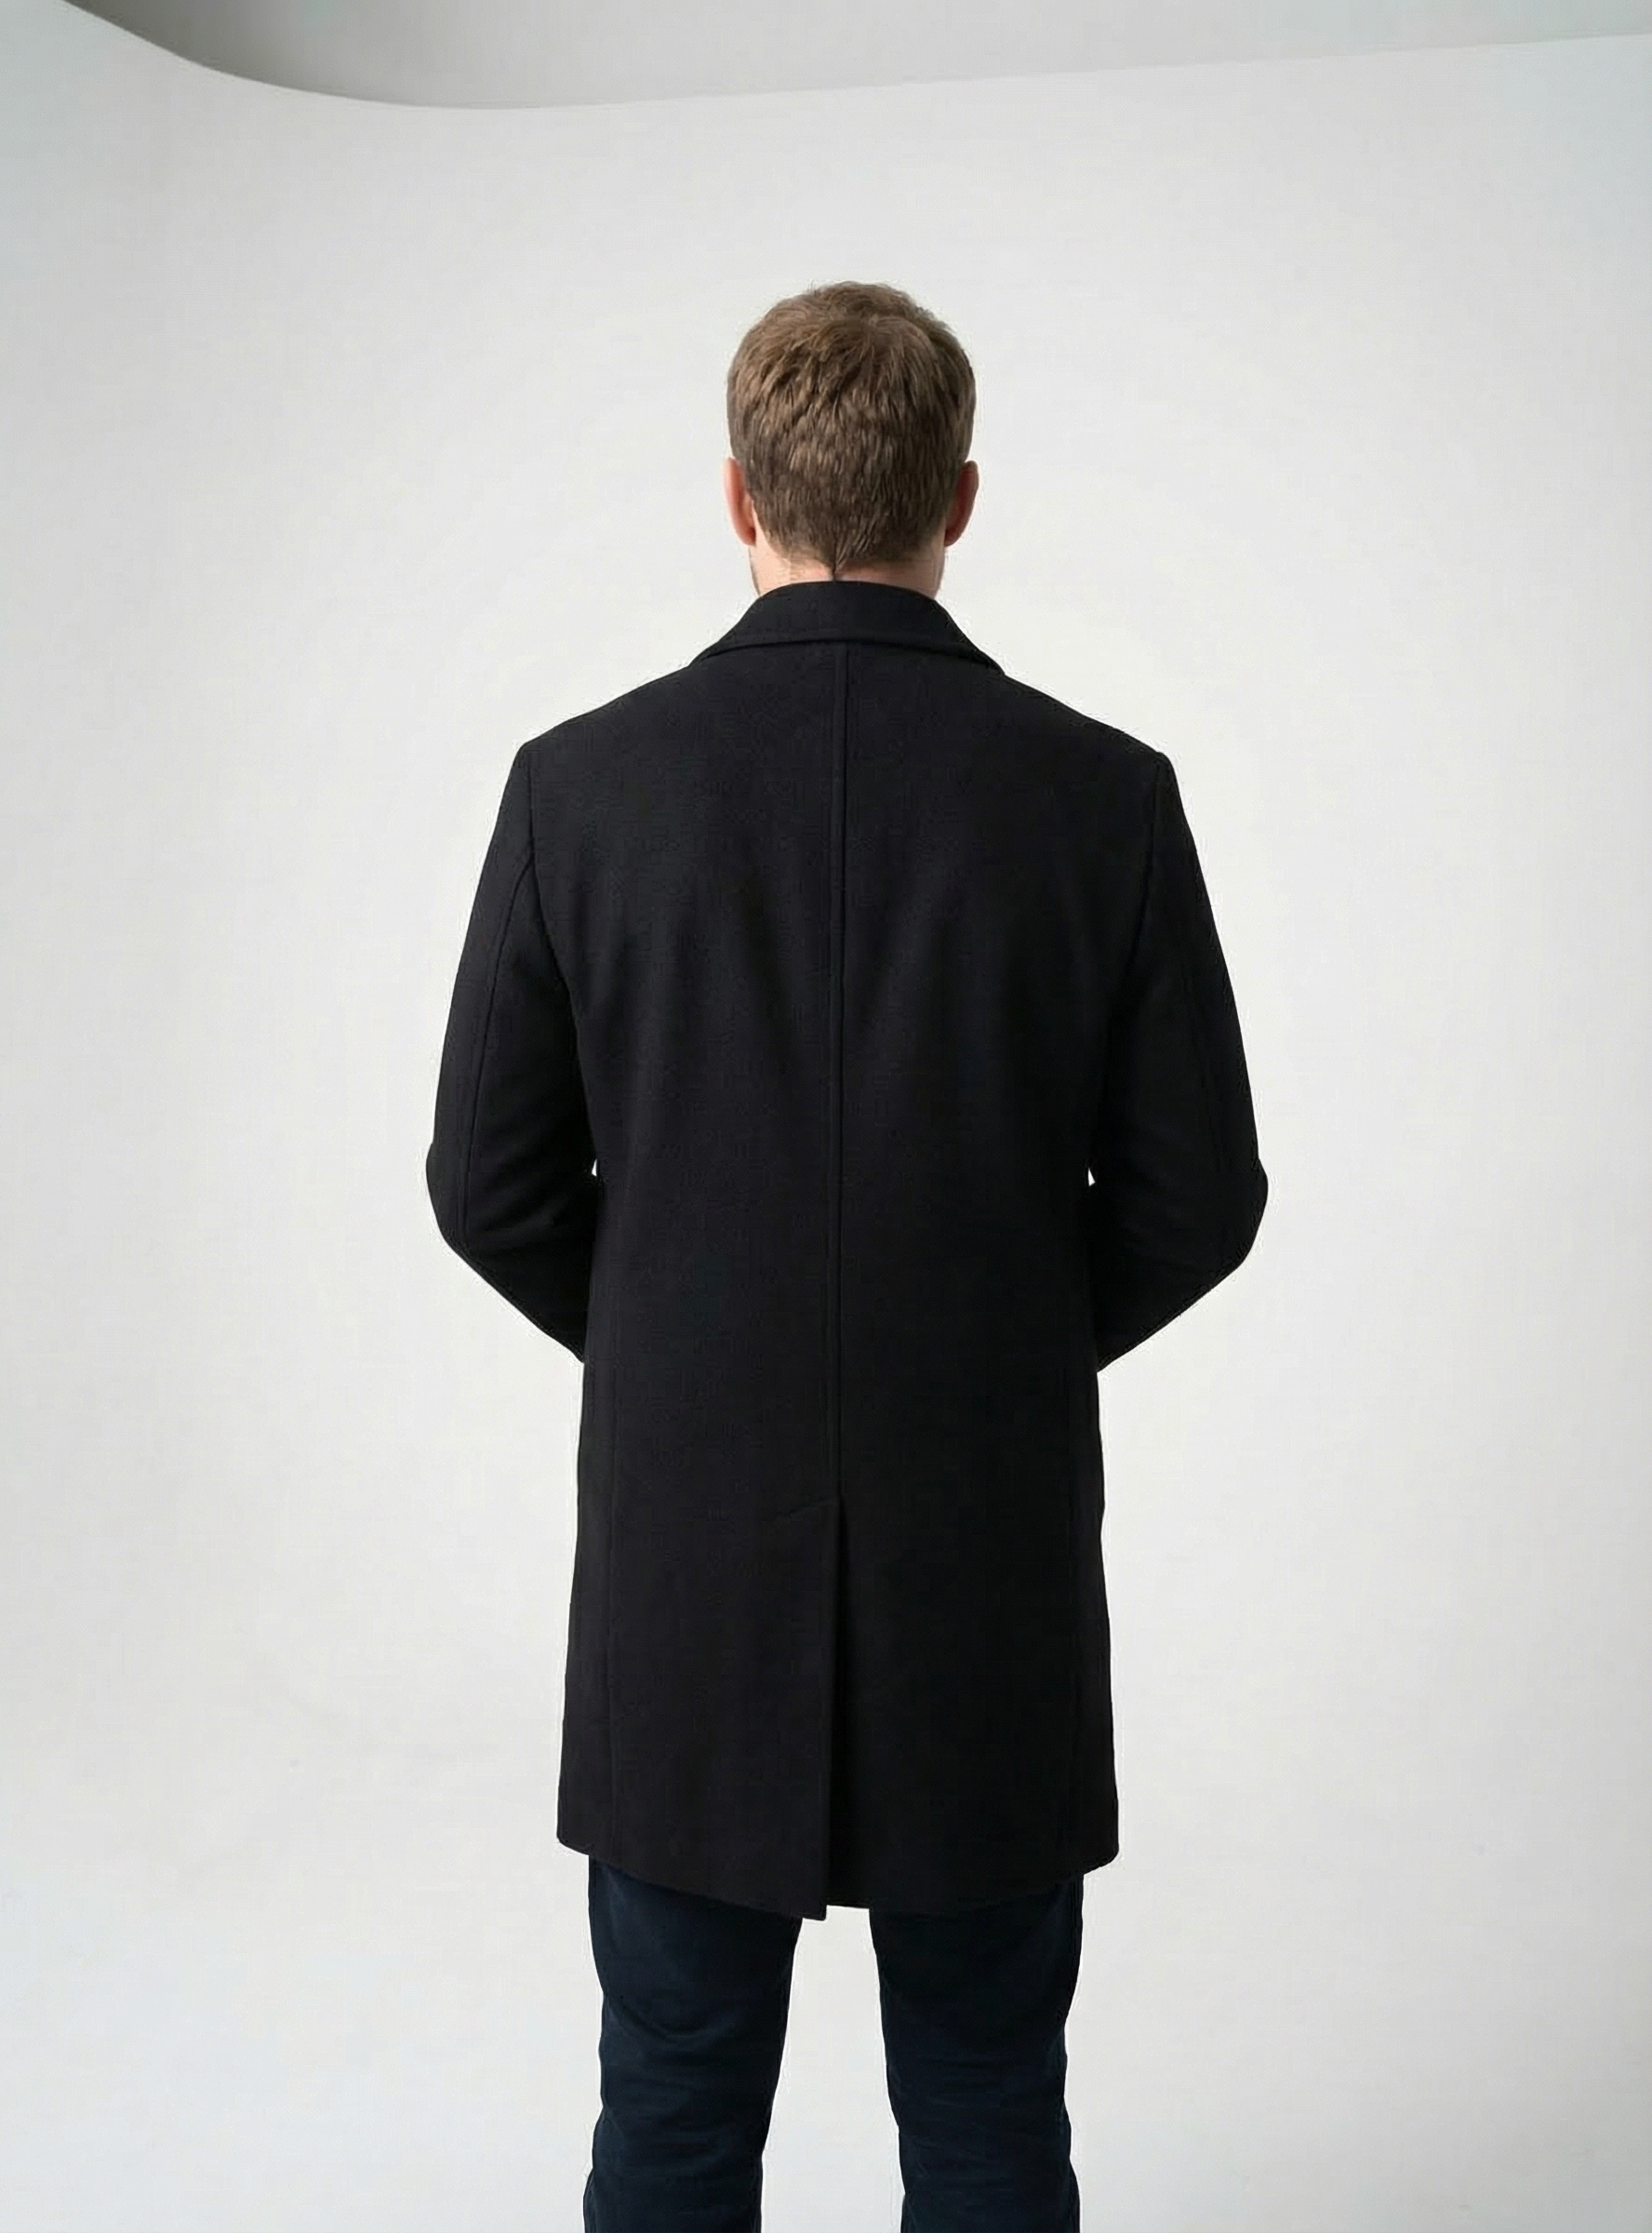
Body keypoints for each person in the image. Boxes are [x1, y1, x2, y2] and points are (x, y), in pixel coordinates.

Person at [425, 279, 1269, 2232]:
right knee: (986, 2106)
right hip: (982, 1557)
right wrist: (998, 1340)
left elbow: (489, 1183)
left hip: (685, 1568)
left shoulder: (579, 789)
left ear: (737, 494)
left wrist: (672, 1336)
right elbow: (1197, 1195)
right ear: (957, 497)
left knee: (672, 2109)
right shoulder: (1103, 799)